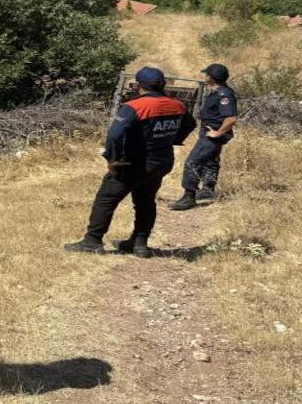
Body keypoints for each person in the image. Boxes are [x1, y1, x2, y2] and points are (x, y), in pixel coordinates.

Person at [64, 66, 195, 258]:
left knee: (106, 200)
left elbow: (114, 135)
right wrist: (173, 139)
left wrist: (113, 159)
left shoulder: (135, 107)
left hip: (135, 163)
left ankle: (92, 241)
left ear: (139, 85)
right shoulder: (178, 105)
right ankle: (139, 244)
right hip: (161, 162)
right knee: (145, 201)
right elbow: (190, 124)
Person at [170, 63, 238, 211]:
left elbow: (231, 118)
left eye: (206, 74)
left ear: (211, 78)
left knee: (192, 162)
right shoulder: (216, 91)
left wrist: (218, 133)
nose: (204, 76)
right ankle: (208, 189)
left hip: (212, 134)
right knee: (210, 160)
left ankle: (189, 197)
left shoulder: (223, 94)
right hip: (209, 132)